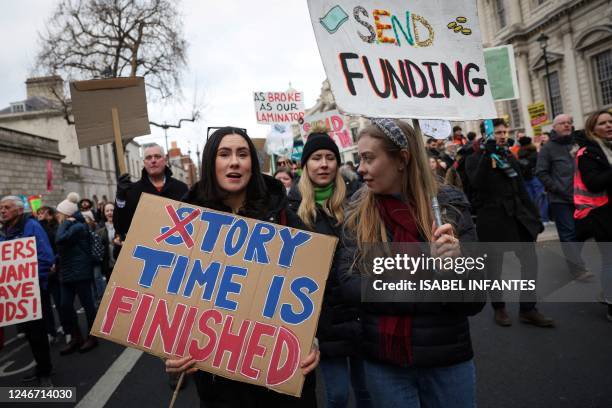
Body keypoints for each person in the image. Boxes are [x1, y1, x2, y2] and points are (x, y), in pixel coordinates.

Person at [164, 126, 320, 407]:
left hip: (279, 380)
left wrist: (313, 339)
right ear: (211, 164)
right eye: (224, 154)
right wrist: (171, 350)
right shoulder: (186, 224)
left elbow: (318, 288)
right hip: (218, 387)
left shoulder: (285, 219)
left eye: (242, 154)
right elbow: (171, 295)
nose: (234, 161)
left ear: (252, 164)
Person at [335, 119, 485, 407]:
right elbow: (352, 285)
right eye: (360, 159)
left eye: (368, 158)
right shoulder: (358, 210)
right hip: (384, 361)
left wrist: (455, 269)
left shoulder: (450, 206)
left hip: (447, 359)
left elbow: (475, 298)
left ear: (401, 159)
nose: (360, 168)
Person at [287, 132, 371, 408]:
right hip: (324, 319)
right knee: (337, 395)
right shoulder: (291, 211)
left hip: (361, 312)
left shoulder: (359, 202)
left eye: (329, 157)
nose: (323, 164)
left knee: (367, 392)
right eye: (316, 158)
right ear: (305, 166)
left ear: (337, 163)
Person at [113, 143, 188, 389]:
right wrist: (121, 200)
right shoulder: (132, 191)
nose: (153, 160)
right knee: (163, 317)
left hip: (181, 261)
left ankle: (185, 357)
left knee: (182, 314)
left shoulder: (181, 189)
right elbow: (122, 227)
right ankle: (172, 365)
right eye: (148, 157)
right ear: (143, 162)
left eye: (157, 156)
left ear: (165, 160)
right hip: (150, 264)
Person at [466, 119, 553, 327]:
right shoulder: (474, 158)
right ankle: (499, 308)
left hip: (517, 218)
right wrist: (487, 155)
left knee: (530, 262)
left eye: (505, 131)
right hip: (492, 219)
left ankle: (528, 308)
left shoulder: (507, 155)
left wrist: (534, 217)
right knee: (494, 267)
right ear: (487, 134)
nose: (503, 135)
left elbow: (521, 188)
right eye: (498, 132)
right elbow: (476, 183)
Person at [0, 196, 54, 386]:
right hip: (15, 292)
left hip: (33, 289)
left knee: (38, 333)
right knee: (29, 334)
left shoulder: (32, 227)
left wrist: (28, 279)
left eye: (7, 208)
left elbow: (46, 257)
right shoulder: (4, 231)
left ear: (18, 210)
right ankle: (40, 367)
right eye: (1, 208)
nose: (3, 211)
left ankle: (46, 372)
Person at [536, 114, 592, 280]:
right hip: (561, 200)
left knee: (583, 232)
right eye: (562, 123)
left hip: (583, 197)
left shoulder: (578, 142)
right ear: (554, 127)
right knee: (568, 234)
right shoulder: (548, 148)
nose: (567, 125)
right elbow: (541, 172)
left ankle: (573, 261)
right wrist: (556, 188)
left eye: (569, 123)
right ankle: (578, 270)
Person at [574, 110, 612, 320]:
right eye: (602, 123)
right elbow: (593, 182)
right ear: (592, 129)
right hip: (601, 214)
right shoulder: (587, 152)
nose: (608, 126)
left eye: (610, 122)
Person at [55, 192, 99, 354]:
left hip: (80, 271)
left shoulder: (78, 226)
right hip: (67, 272)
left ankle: (92, 337)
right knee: (65, 305)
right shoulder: (71, 225)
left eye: (60, 213)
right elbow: (63, 248)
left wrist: (64, 223)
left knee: (88, 306)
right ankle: (76, 337)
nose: (57, 216)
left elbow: (59, 239)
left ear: (66, 214)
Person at [36, 206, 63, 342]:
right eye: (38, 213)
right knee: (44, 305)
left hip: (54, 269)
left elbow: (58, 246)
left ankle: (65, 326)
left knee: (59, 301)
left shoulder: (55, 228)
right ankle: (50, 331)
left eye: (43, 213)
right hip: (42, 271)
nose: (40, 215)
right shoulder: (36, 228)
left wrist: (54, 262)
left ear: (51, 215)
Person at [518, 136, 549, 222]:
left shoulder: (520, 153)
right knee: (541, 198)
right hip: (536, 177)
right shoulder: (534, 152)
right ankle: (544, 218)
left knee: (530, 199)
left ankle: (535, 217)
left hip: (525, 178)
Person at [96, 203, 117, 281]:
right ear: (104, 213)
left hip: (121, 263)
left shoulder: (122, 225)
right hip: (108, 264)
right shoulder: (100, 228)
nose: (110, 212)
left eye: (112, 210)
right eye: (107, 211)